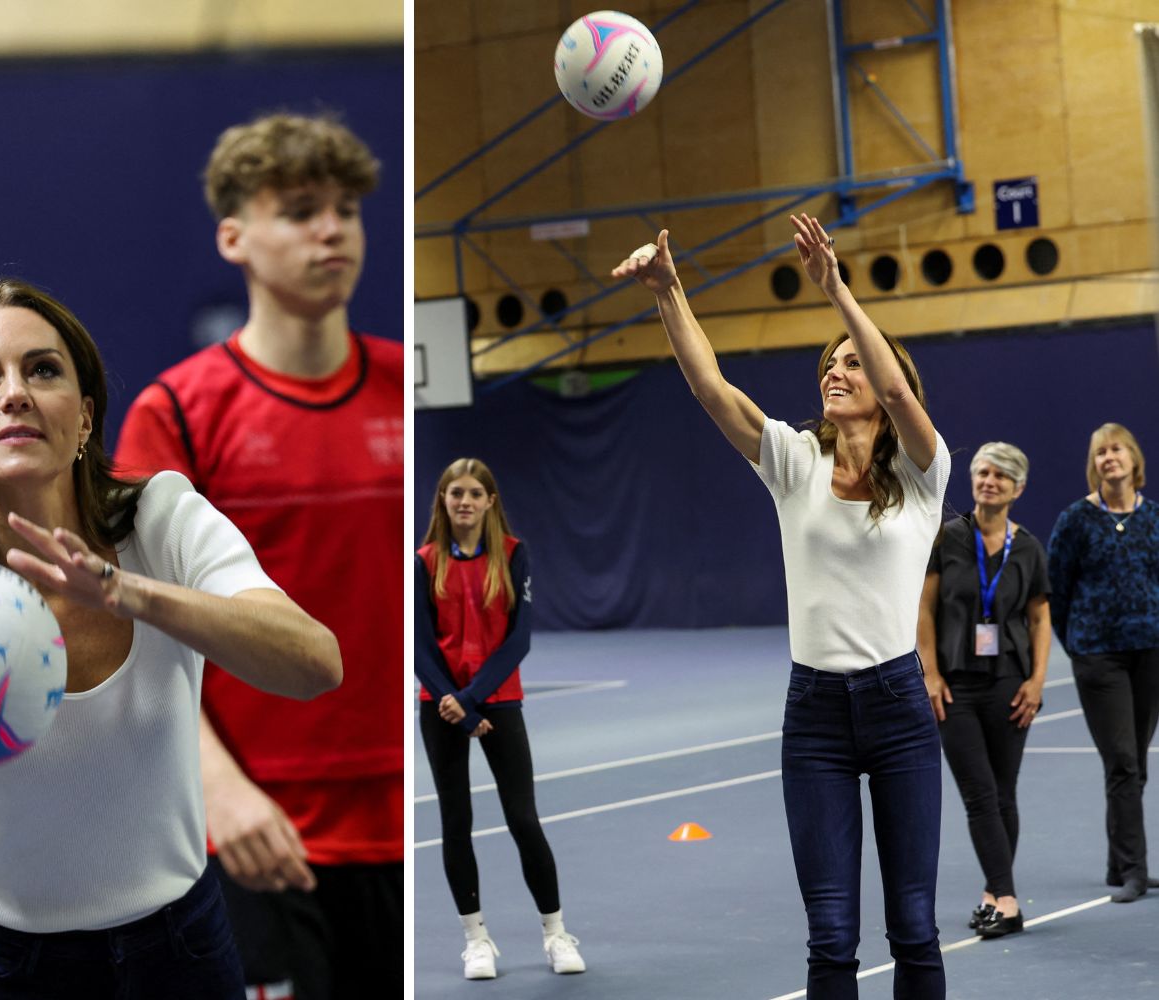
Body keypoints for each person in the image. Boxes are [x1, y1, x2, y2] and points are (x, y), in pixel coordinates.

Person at [0, 279, 342, 998]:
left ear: (85, 419)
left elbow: (315, 664)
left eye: (43, 369)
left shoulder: (161, 520)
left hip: (183, 949)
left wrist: (130, 594)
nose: (14, 392)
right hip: (11, 967)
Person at [613, 215, 950, 998]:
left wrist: (834, 288)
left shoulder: (927, 477)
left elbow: (896, 384)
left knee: (914, 927)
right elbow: (711, 389)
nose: (835, 372)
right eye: (827, 365)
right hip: (817, 716)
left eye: (851, 364)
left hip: (899, 707)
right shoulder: (795, 461)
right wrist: (670, 292)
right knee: (831, 935)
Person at [113, 113, 402, 1000]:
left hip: (405, 826)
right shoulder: (176, 414)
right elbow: (127, 631)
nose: (332, 230)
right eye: (302, 210)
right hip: (253, 831)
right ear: (233, 237)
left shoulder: (403, 389)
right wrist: (221, 793)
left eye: (347, 210)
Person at [414, 457, 585, 982]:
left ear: (490, 502)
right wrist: (456, 705)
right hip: (440, 705)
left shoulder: (514, 555)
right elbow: (419, 647)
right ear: (443, 501)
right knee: (455, 823)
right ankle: (477, 940)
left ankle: (556, 933)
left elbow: (520, 638)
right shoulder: (422, 562)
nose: (463, 501)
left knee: (523, 820)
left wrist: (471, 699)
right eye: (454, 493)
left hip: (496, 701)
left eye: (473, 493)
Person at [917, 442, 1051, 938]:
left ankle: (996, 896)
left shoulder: (1030, 548)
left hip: (1010, 684)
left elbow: (1039, 617)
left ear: (1017, 488)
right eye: (981, 473)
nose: (988, 481)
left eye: (1000, 476)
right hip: (955, 686)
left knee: (1004, 793)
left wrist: (1037, 681)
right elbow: (923, 610)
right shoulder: (946, 539)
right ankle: (1009, 899)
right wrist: (929, 674)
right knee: (979, 793)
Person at [1047, 422, 1159, 904]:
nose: (1108, 458)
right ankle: (1136, 870)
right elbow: (1058, 588)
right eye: (1099, 453)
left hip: (1150, 652)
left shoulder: (1153, 518)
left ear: (1134, 460)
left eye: (1116, 450)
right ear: (1093, 466)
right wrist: (1077, 644)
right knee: (1122, 762)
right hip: (1098, 656)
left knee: (1134, 764)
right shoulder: (1075, 520)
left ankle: (1119, 864)